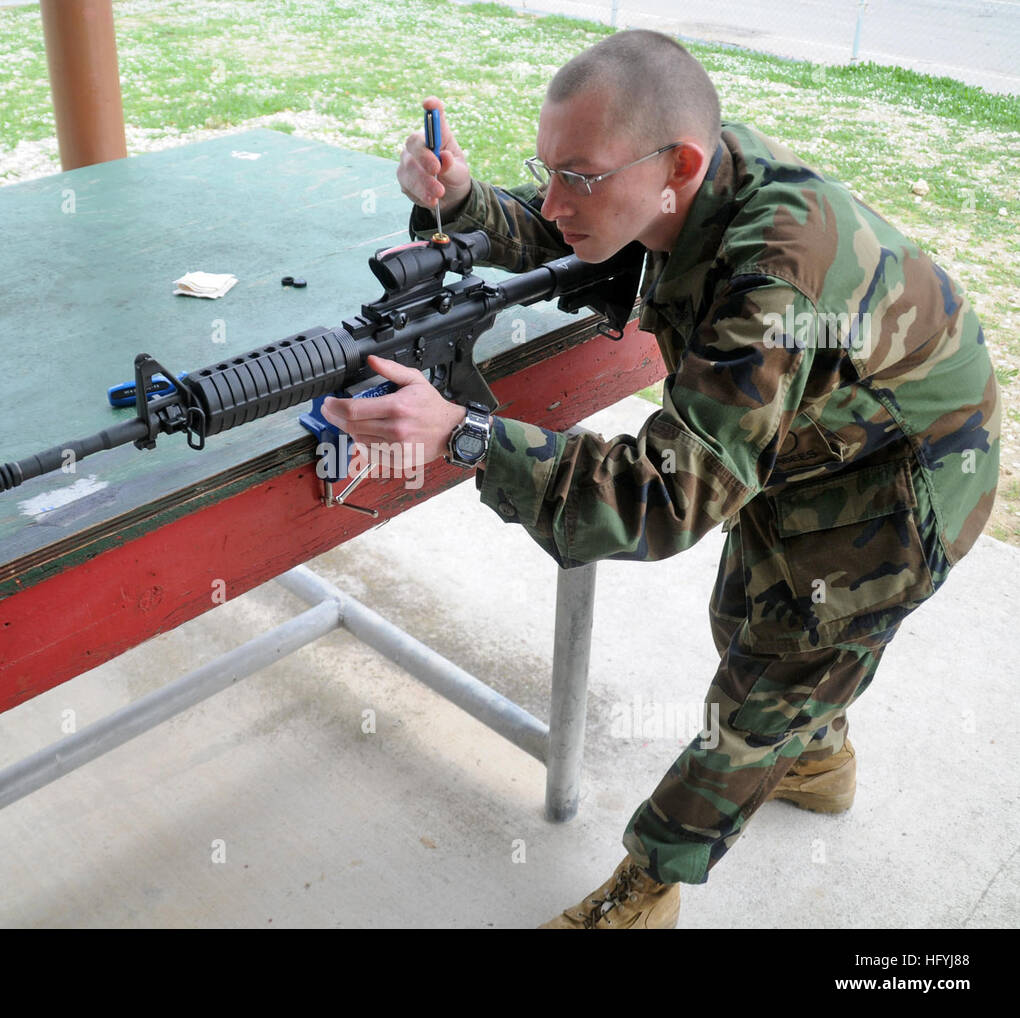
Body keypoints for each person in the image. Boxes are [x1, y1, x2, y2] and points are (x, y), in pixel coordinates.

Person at [319, 28, 1000, 929]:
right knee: (744, 616)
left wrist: (467, 436)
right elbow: (589, 235)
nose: (557, 199)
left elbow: (664, 497)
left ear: (674, 162)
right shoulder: (687, 181)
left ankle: (644, 893)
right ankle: (818, 755)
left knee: (759, 693)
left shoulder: (774, 278)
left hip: (903, 479)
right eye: (548, 168)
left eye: (581, 176)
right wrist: (466, 199)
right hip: (817, 437)